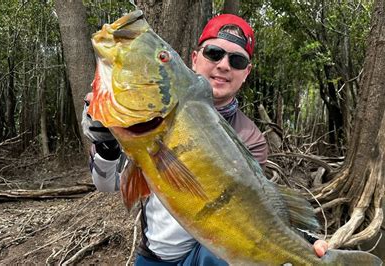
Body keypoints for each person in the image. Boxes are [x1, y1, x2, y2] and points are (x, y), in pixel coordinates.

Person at [82, 13, 328, 266]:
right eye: (214, 53)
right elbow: (107, 184)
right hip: (155, 256)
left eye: (237, 60)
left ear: (246, 73)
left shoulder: (250, 137)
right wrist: (106, 145)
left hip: (209, 257)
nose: (223, 65)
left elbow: (259, 214)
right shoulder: (142, 121)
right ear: (195, 58)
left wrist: (304, 244)